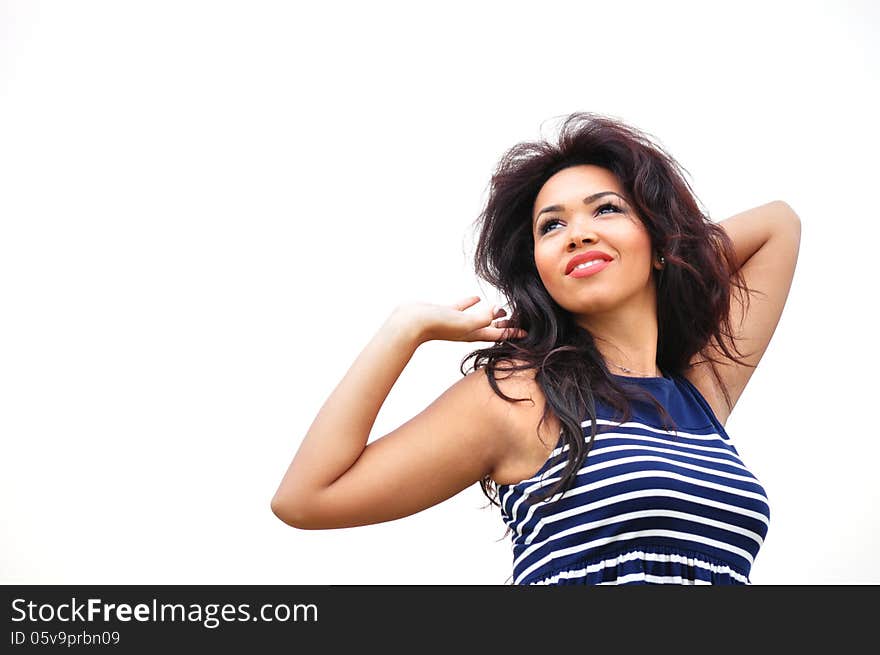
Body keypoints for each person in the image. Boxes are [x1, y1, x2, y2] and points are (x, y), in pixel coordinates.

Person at [270, 112, 801, 585]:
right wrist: (402, 330)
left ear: (659, 240)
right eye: (553, 226)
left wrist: (672, 250)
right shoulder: (521, 397)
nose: (578, 234)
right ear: (539, 269)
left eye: (606, 210)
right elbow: (306, 498)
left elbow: (779, 224)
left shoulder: (698, 393)